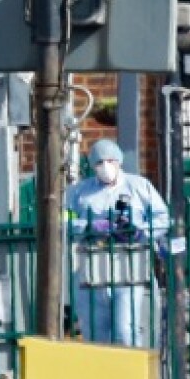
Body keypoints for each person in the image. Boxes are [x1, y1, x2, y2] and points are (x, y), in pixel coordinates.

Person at [66, 138, 171, 347]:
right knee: (95, 332)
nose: (105, 167)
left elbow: (162, 219)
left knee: (126, 329)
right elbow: (62, 221)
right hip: (92, 267)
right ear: (92, 165)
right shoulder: (79, 192)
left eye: (110, 161)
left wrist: (141, 232)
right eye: (99, 162)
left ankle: (132, 376)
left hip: (130, 264)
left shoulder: (139, 186)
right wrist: (89, 226)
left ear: (119, 161)